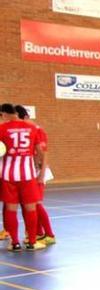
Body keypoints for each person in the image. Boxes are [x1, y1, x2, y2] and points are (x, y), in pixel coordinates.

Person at [0, 103, 46, 251]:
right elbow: (40, 151)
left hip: (8, 174)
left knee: (11, 209)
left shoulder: (2, 128)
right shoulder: (32, 127)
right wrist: (40, 169)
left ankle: (14, 243)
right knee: (30, 208)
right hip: (28, 174)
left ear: (4, 114)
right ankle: (32, 242)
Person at [14, 105, 55, 246]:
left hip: (37, 172)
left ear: (25, 117)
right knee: (28, 204)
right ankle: (38, 233)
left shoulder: (37, 131)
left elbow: (43, 154)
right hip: (27, 172)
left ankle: (49, 235)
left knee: (36, 204)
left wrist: (41, 174)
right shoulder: (22, 131)